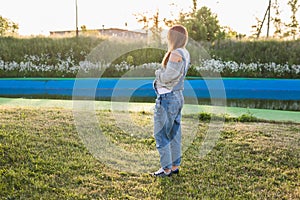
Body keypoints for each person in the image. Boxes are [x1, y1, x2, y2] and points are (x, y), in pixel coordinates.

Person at [152, 25, 190, 177]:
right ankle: (174, 166)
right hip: (177, 96)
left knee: (161, 134)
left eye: (169, 35)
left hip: (168, 98)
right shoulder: (185, 52)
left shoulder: (175, 53)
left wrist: (157, 75)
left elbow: (169, 76)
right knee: (174, 133)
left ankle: (166, 168)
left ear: (173, 37)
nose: (167, 38)